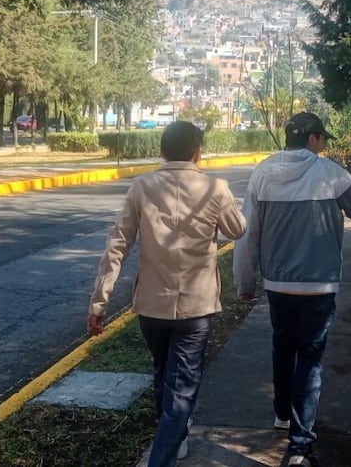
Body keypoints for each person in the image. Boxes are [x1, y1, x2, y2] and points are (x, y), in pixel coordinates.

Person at [233, 112, 351, 467]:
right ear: (313, 139)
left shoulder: (263, 173)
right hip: (319, 286)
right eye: (323, 139)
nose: (325, 145)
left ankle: (281, 413)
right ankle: (298, 446)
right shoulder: (330, 173)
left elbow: (248, 234)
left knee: (282, 346)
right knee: (310, 359)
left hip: (277, 283)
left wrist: (245, 282)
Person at [87, 120, 246, 467]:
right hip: (196, 306)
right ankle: (165, 453)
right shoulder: (215, 188)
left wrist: (99, 302)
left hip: (151, 307)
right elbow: (237, 229)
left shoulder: (141, 187)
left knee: (163, 371)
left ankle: (174, 436)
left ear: (161, 151)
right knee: (182, 387)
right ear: (198, 151)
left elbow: (117, 246)